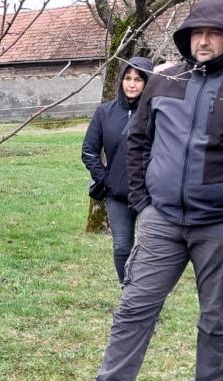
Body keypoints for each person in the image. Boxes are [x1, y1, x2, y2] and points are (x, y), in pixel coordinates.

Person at [54, 0, 223, 381]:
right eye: (196, 32)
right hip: (162, 222)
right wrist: (144, 204)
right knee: (134, 307)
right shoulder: (164, 80)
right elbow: (138, 142)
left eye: (214, 32)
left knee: (217, 316)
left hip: (222, 227)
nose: (204, 40)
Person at [81, 56, 153, 285]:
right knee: (122, 246)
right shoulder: (105, 112)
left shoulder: (156, 112)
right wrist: (106, 179)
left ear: (147, 83)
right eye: (128, 78)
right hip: (117, 196)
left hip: (150, 196)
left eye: (138, 80)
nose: (132, 84)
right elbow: (89, 151)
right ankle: (128, 292)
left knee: (151, 249)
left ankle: (146, 297)